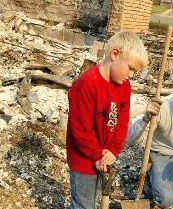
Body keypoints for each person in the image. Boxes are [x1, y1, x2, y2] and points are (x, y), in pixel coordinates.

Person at [66, 31, 148, 209]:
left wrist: (112, 149)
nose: (132, 75)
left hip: (104, 157)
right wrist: (97, 155)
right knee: (83, 204)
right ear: (115, 54)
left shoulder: (124, 86)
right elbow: (80, 130)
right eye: (131, 68)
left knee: (92, 200)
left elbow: (122, 122)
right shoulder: (87, 84)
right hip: (83, 158)